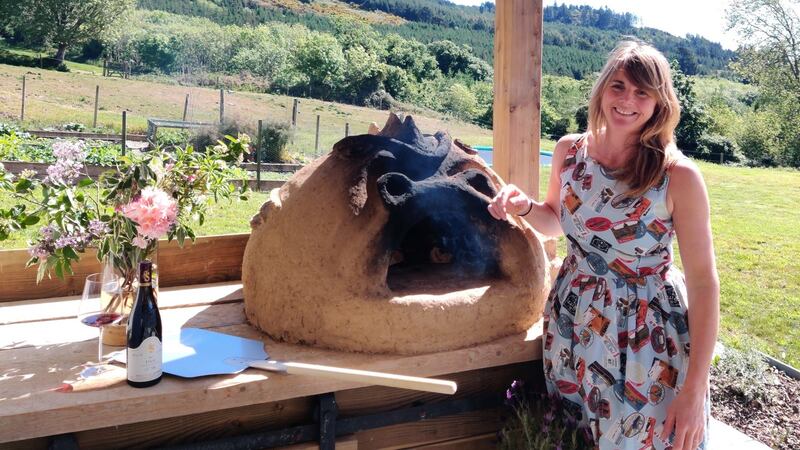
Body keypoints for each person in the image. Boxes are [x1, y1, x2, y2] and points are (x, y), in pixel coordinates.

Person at [488, 40, 719, 450]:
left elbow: (704, 283)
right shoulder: (570, 151)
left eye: (642, 92)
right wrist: (524, 206)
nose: (628, 99)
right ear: (601, 89)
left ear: (659, 102)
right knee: (576, 438)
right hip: (572, 323)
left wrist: (695, 388)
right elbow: (557, 221)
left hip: (645, 338)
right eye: (619, 86)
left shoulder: (677, 175)